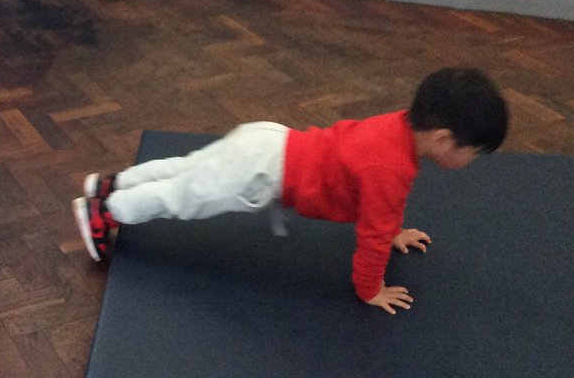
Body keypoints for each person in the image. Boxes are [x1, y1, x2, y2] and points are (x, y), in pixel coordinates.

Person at [74, 67, 509, 314]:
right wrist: (369, 289)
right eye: (473, 152)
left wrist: (395, 231)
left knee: (191, 170)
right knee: (184, 198)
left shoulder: (398, 125)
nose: (472, 161)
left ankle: (115, 183)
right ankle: (106, 211)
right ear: (444, 140)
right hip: (262, 171)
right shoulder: (391, 169)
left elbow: (377, 207)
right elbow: (372, 234)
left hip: (270, 141)